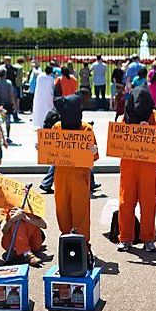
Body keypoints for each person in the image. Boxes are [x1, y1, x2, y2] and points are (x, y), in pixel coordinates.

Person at [117, 86, 156, 252]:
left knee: (148, 204)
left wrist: (150, 132)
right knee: (126, 203)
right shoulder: (124, 118)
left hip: (148, 167)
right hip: (129, 166)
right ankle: (125, 238)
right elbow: (116, 141)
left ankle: (148, 238)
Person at [51, 90, 98, 254]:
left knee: (75, 210)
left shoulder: (84, 129)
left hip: (73, 177)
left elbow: (94, 157)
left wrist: (93, 150)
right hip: (67, 177)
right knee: (67, 209)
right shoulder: (61, 128)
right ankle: (71, 240)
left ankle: (80, 242)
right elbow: (50, 151)